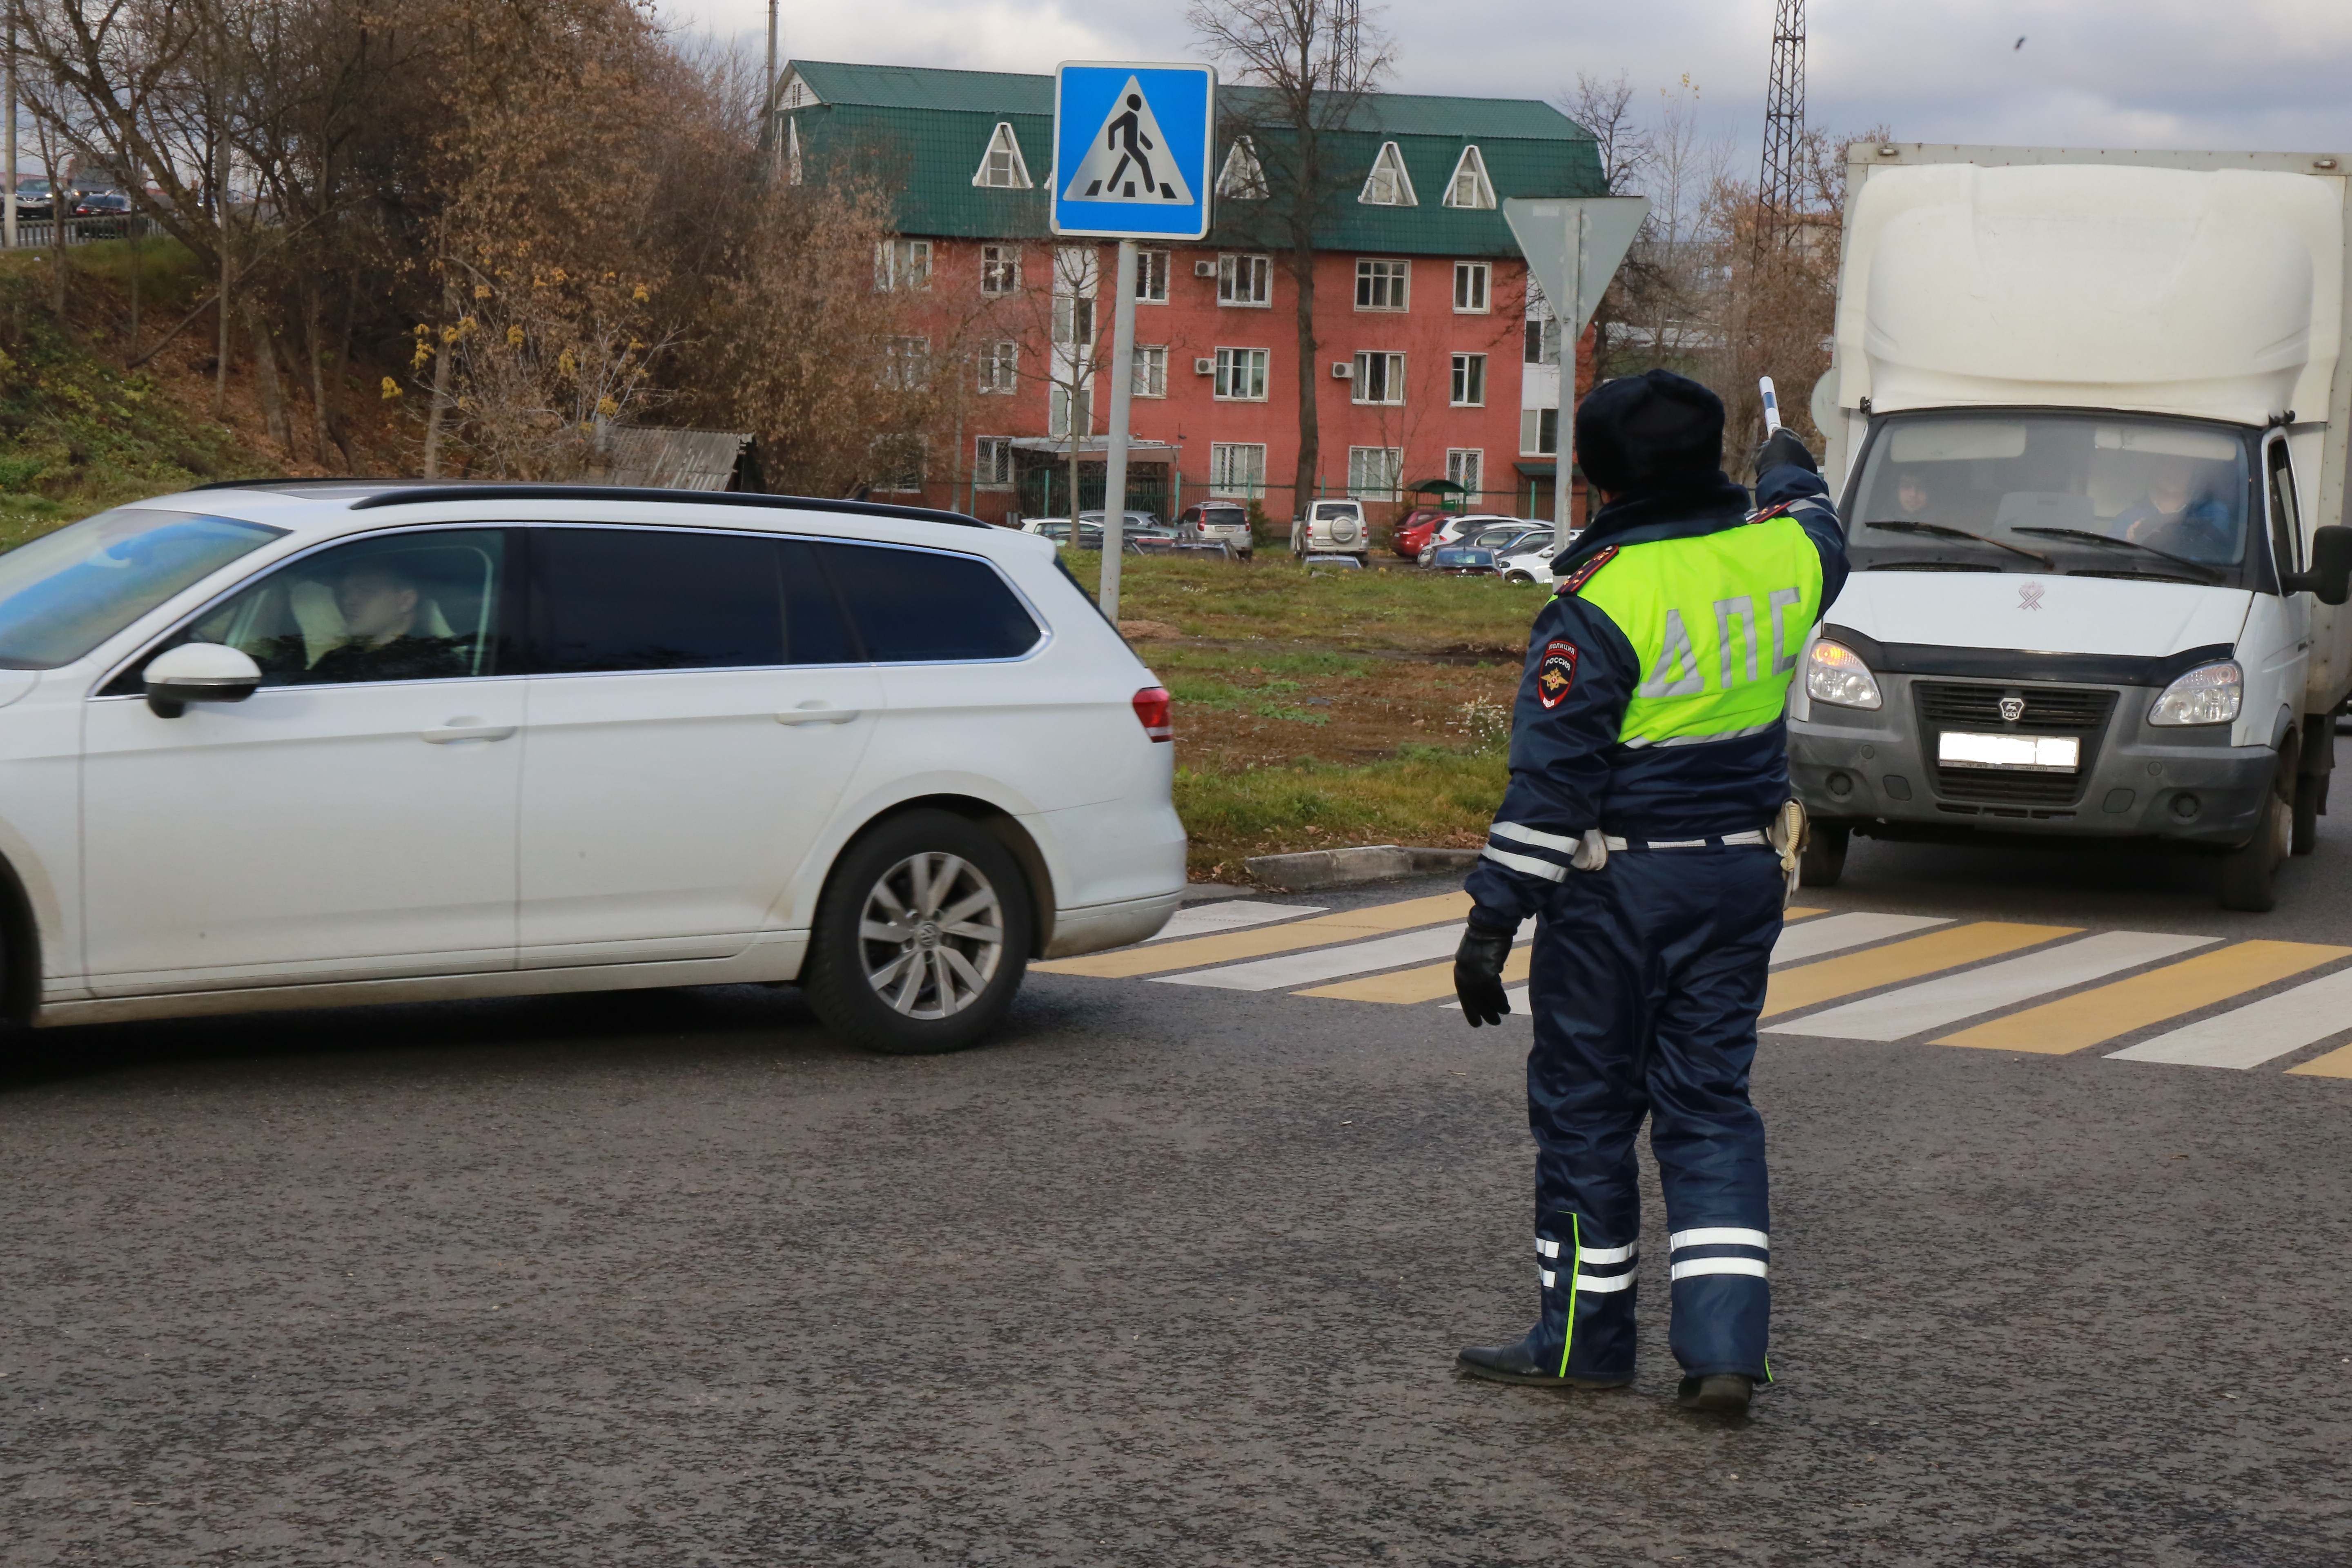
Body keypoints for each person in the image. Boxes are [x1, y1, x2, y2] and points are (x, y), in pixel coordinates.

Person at [1450, 370, 1848, 1417]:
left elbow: (1550, 786)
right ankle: (1721, 1351)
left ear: (1597, 476)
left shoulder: (1598, 601)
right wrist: (1789, 467)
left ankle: (1578, 1342)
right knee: (1708, 1103)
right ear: (1713, 454)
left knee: (1585, 1113)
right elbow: (1819, 520)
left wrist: (1492, 917)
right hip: (1741, 875)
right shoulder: (1787, 552)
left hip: (1615, 887)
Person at [300, 561, 468, 683]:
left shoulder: (434, 665)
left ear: (405, 602)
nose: (348, 601)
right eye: (345, 593)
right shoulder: (342, 657)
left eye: (366, 591)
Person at [2112, 456, 2235, 561]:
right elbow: (2115, 561)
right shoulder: (2127, 518)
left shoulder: (2213, 512)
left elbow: (2215, 554)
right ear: (2156, 472)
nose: (2175, 474)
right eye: (2168, 466)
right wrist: (2131, 544)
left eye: (2183, 468)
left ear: (2194, 474)